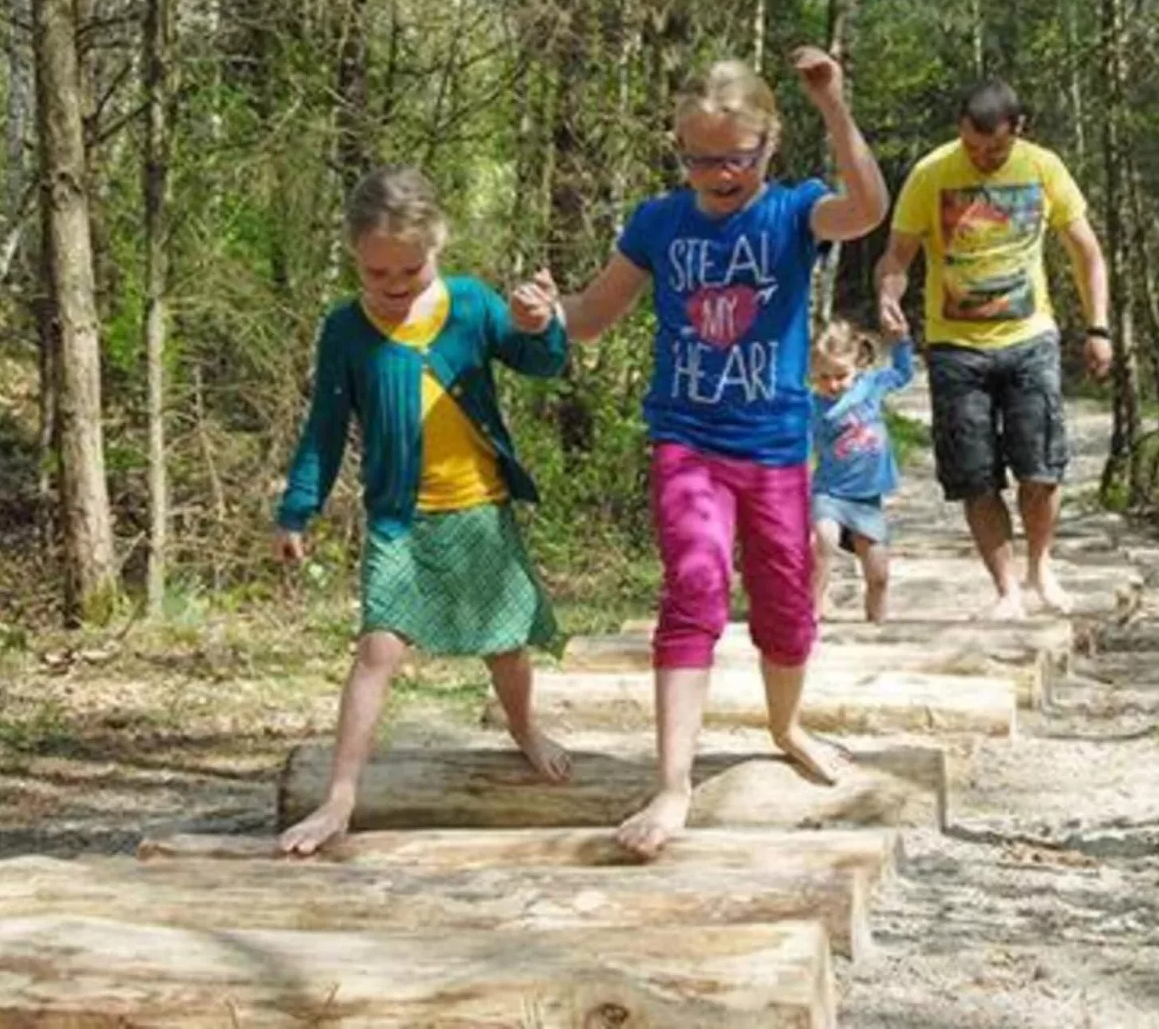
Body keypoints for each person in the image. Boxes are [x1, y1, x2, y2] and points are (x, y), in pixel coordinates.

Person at [509, 46, 888, 858]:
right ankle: (673, 784)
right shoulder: (659, 223)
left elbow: (866, 209)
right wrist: (545, 314)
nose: (718, 174)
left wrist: (835, 106)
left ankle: (786, 725)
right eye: (700, 159)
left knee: (786, 605)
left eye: (736, 159)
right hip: (687, 440)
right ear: (679, 153)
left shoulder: (792, 213)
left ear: (769, 146)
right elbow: (590, 315)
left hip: (777, 450)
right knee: (694, 583)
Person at [274, 165, 571, 855]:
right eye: (377, 273)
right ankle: (339, 797)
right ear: (355, 256)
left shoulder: (469, 305)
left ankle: (523, 727)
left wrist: (542, 323)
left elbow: (541, 361)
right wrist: (297, 510)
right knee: (378, 649)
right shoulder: (346, 331)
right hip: (399, 520)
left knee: (506, 645)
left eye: (409, 270)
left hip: (479, 508)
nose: (393, 286)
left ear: (438, 245)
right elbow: (323, 428)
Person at [874, 78, 1111, 619]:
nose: (982, 159)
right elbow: (897, 257)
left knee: (1041, 466)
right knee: (973, 475)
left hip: (1030, 340)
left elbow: (1087, 254)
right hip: (955, 347)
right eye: (973, 148)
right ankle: (1007, 589)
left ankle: (1040, 567)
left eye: (994, 151)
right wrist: (888, 296)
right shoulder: (931, 174)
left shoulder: (1043, 168)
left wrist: (1098, 328)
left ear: (1018, 131)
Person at [809, 312, 915, 623]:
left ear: (857, 366)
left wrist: (901, 341)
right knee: (822, 540)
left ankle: (876, 625)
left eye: (840, 375)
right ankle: (810, 613)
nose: (832, 384)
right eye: (822, 377)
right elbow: (799, 446)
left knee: (879, 576)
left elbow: (903, 373)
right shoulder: (811, 406)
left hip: (867, 501)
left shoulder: (871, 387)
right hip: (829, 493)